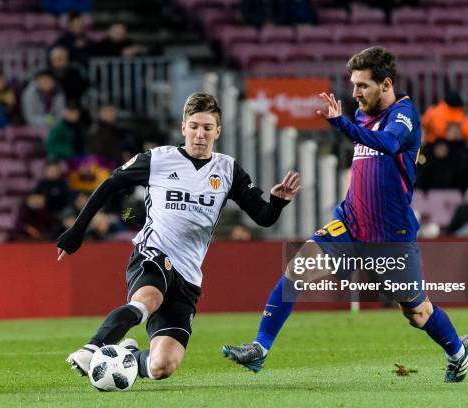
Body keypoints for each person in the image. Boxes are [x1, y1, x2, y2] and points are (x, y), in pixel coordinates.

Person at [222, 47, 468, 383]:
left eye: (362, 86)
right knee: (297, 270)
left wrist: (340, 124)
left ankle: (458, 353)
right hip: (351, 224)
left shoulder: (405, 115)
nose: (355, 93)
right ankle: (260, 348)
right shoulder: (359, 114)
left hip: (390, 236)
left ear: (386, 84)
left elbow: (387, 143)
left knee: (416, 312)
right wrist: (347, 123)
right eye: (353, 85)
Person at [58, 92, 301, 381]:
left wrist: (278, 202)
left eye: (207, 128)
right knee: (147, 300)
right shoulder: (159, 159)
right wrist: (76, 232)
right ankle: (92, 348)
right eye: (195, 126)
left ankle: (129, 355)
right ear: (184, 127)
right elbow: (111, 183)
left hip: (188, 276)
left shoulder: (227, 169)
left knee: (163, 366)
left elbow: (263, 218)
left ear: (217, 132)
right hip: (153, 253)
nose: (200, 134)